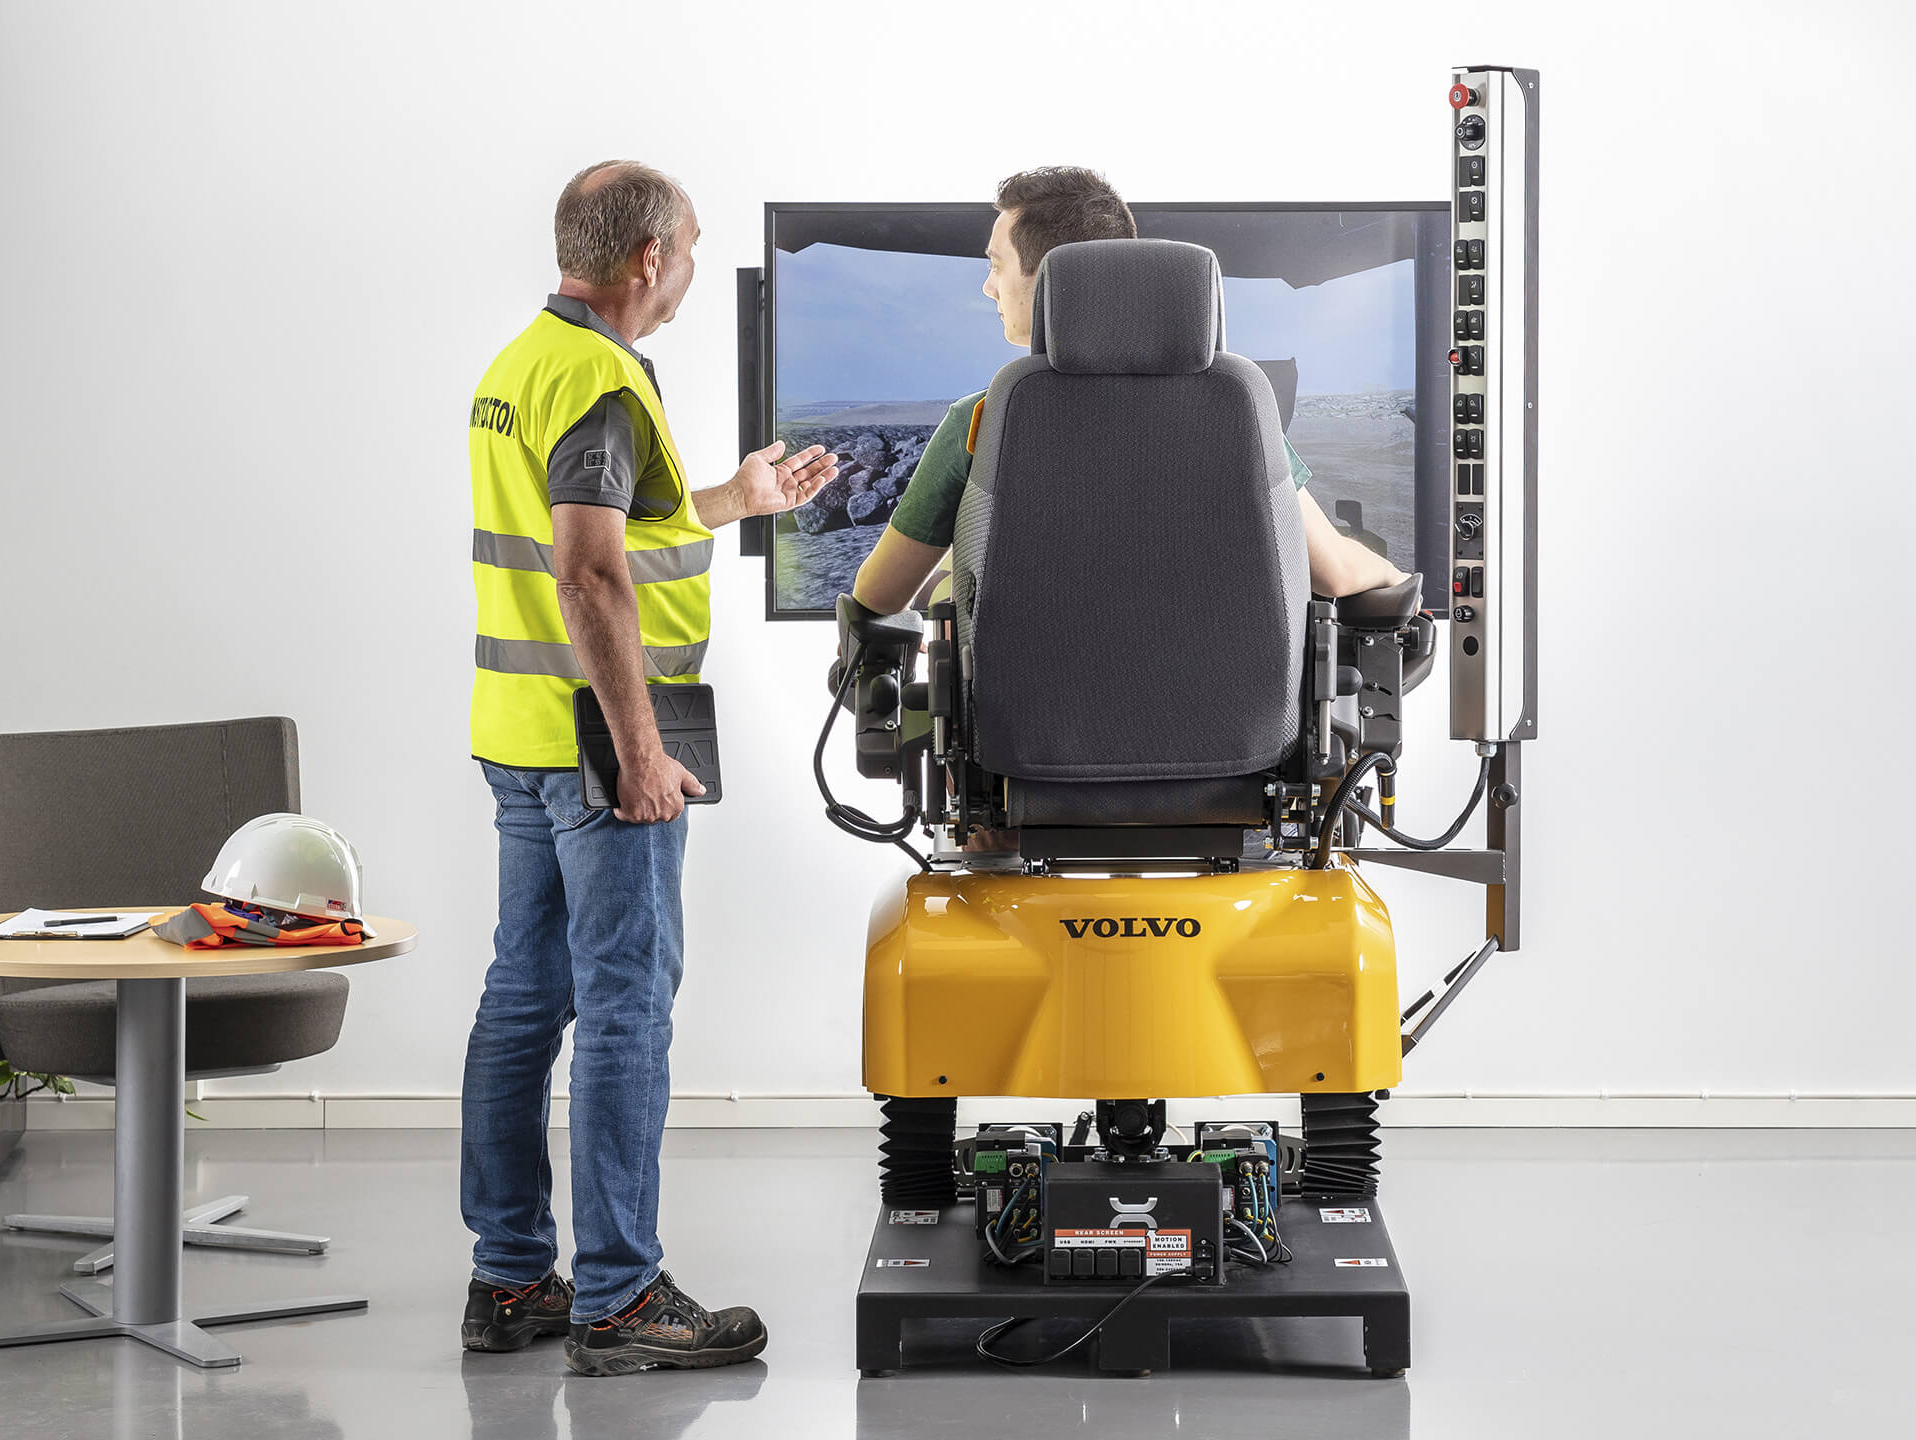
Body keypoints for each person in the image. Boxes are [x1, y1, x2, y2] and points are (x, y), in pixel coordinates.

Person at [461, 159, 837, 1377]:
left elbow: (612, 528)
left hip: (518, 738)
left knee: (523, 1003)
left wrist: (737, 496)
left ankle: (511, 1281)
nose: (686, 271)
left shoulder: (522, 365)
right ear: (646, 261)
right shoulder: (605, 380)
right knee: (626, 1007)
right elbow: (587, 574)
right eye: (686, 249)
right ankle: (618, 1300)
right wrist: (640, 755)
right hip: (598, 750)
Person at [848, 166, 1409, 615]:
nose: (987, 285)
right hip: (1234, 744)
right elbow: (1333, 574)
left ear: (1049, 278)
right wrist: (1391, 573)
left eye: (998, 265)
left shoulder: (988, 417)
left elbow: (877, 599)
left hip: (1020, 749)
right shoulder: (1237, 410)